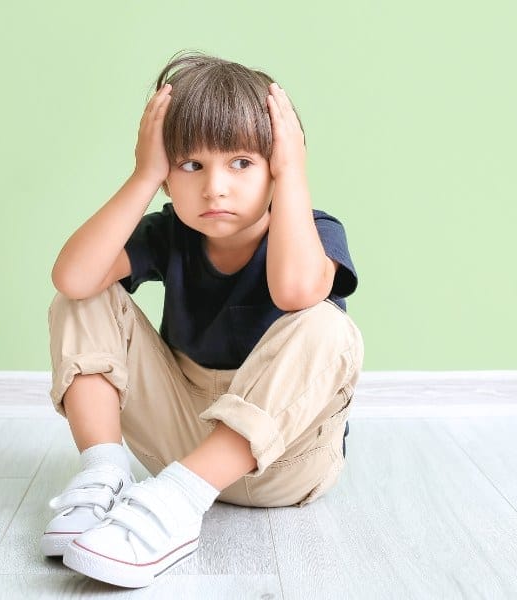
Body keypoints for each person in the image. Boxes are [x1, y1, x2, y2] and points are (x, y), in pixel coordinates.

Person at [43, 50, 364, 588]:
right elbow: (73, 279)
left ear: (274, 166)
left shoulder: (315, 231)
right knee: (85, 293)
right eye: (192, 165)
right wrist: (144, 174)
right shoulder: (170, 232)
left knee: (326, 324)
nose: (215, 187)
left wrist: (293, 175)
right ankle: (104, 479)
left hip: (285, 464)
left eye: (242, 163)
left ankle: (176, 502)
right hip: (183, 443)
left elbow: (297, 291)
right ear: (170, 176)